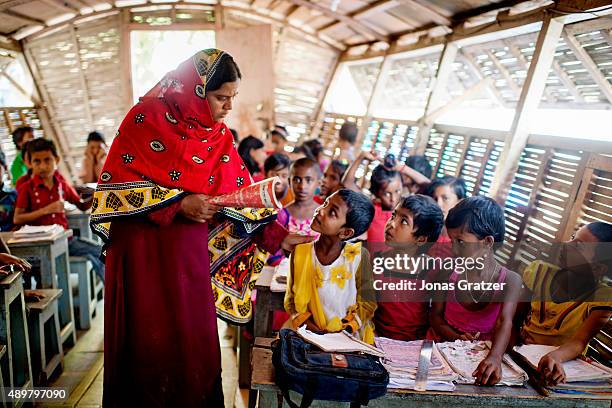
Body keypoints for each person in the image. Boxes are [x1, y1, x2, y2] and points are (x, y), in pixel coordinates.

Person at [90, 49, 310, 407]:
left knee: (194, 346)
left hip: (188, 261)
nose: (227, 108)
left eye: (232, 99)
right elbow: (114, 189)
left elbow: (239, 197)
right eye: (221, 97)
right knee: (147, 344)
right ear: (194, 89)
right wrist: (179, 204)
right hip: (142, 255)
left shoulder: (218, 137)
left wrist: (279, 237)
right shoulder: (144, 119)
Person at [428, 196, 523, 385]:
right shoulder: (447, 272)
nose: (454, 249)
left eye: (461, 242)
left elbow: (505, 322)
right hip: (442, 346)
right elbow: (435, 317)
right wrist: (456, 338)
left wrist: (495, 357)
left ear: (487, 242)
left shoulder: (510, 281)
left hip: (483, 355)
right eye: (451, 240)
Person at [519, 222, 612, 385]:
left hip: (559, 368)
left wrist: (555, 356)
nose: (567, 245)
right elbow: (514, 320)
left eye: (579, 246)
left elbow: (579, 342)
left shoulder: (602, 296)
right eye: (572, 238)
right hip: (520, 358)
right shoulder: (539, 273)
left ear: (597, 269)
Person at [284, 189, 377, 343]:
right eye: (325, 203)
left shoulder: (359, 257)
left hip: (348, 339)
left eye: (332, 212)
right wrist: (308, 325)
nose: (321, 211)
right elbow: (291, 301)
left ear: (346, 233)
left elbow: (367, 304)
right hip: (307, 333)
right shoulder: (300, 253)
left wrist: (345, 330)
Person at [13, 139, 105, 281]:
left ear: (56, 159)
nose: (43, 166)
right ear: (30, 163)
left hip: (66, 241)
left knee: (101, 252)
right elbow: (17, 218)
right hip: (41, 247)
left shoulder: (61, 185)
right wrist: (46, 210)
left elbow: (81, 205)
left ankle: (114, 296)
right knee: (40, 276)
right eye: (37, 161)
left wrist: (97, 195)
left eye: (47, 160)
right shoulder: (27, 188)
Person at [374, 195, 444, 341]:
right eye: (393, 216)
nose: (391, 224)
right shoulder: (375, 262)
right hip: (376, 339)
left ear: (421, 239)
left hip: (416, 344)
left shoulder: (434, 270)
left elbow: (438, 316)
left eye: (403, 221)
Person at [342, 151, 402, 243]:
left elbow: (427, 184)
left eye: (397, 191)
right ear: (377, 192)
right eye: (387, 194)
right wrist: (361, 156)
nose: (393, 199)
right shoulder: (372, 209)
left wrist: (402, 168)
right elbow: (347, 183)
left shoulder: (406, 210)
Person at [277, 158, 322, 238]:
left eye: (308, 180)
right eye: (297, 180)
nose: (302, 187)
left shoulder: (323, 214)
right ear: (289, 182)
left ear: (318, 183)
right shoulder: (282, 214)